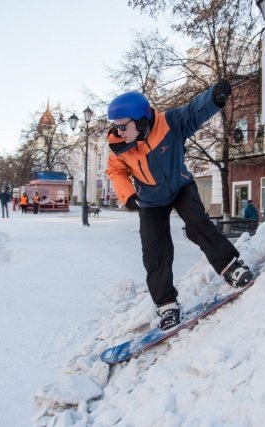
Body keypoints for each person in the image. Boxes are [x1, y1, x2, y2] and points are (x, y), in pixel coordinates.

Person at [106, 79, 254, 332]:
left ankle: (230, 267)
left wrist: (214, 98)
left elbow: (193, 110)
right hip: (151, 201)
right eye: (116, 126)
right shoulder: (120, 146)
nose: (119, 132)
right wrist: (128, 195)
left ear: (141, 119)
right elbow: (116, 171)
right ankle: (166, 304)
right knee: (155, 250)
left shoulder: (169, 123)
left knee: (198, 224)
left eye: (123, 126)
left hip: (180, 187)